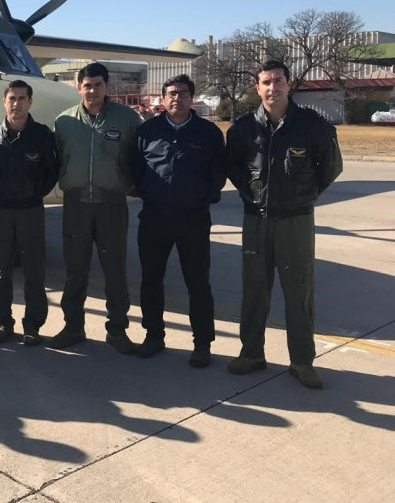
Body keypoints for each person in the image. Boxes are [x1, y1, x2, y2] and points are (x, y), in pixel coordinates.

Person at [226, 60, 342, 389]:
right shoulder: (243, 128)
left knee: (299, 293)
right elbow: (234, 167)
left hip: (296, 221)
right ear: (257, 88)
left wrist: (304, 195)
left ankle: (302, 362)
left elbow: (330, 167)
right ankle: (251, 353)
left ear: (289, 84)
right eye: (266, 82)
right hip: (256, 220)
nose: (272, 87)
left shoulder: (312, 125)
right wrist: (253, 194)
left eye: (278, 80)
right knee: (254, 291)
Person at [131, 74, 226, 367]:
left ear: (192, 98)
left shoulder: (208, 133)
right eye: (171, 93)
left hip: (193, 219)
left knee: (197, 282)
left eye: (183, 93)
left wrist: (199, 199)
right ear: (163, 98)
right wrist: (151, 194)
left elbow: (219, 174)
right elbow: (134, 171)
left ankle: (202, 344)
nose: (177, 98)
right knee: (151, 280)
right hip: (155, 217)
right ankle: (154, 336)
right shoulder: (147, 131)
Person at [50, 62, 141, 353]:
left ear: (107, 87)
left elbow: (137, 159)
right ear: (79, 88)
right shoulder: (64, 122)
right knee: (75, 271)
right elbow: (57, 160)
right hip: (76, 205)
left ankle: (117, 330)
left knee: (115, 270)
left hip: (111, 205)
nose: (92, 90)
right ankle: (73, 326)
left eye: (98, 85)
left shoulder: (127, 119)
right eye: (87, 85)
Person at [0, 79, 60, 346]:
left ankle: (33, 325)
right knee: (1, 270)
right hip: (1, 211)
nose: (17, 103)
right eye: (12, 98)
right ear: (5, 101)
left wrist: (34, 193)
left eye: (22, 98)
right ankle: (3, 322)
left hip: (30, 211)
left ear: (30, 102)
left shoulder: (42, 136)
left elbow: (51, 172)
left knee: (34, 270)